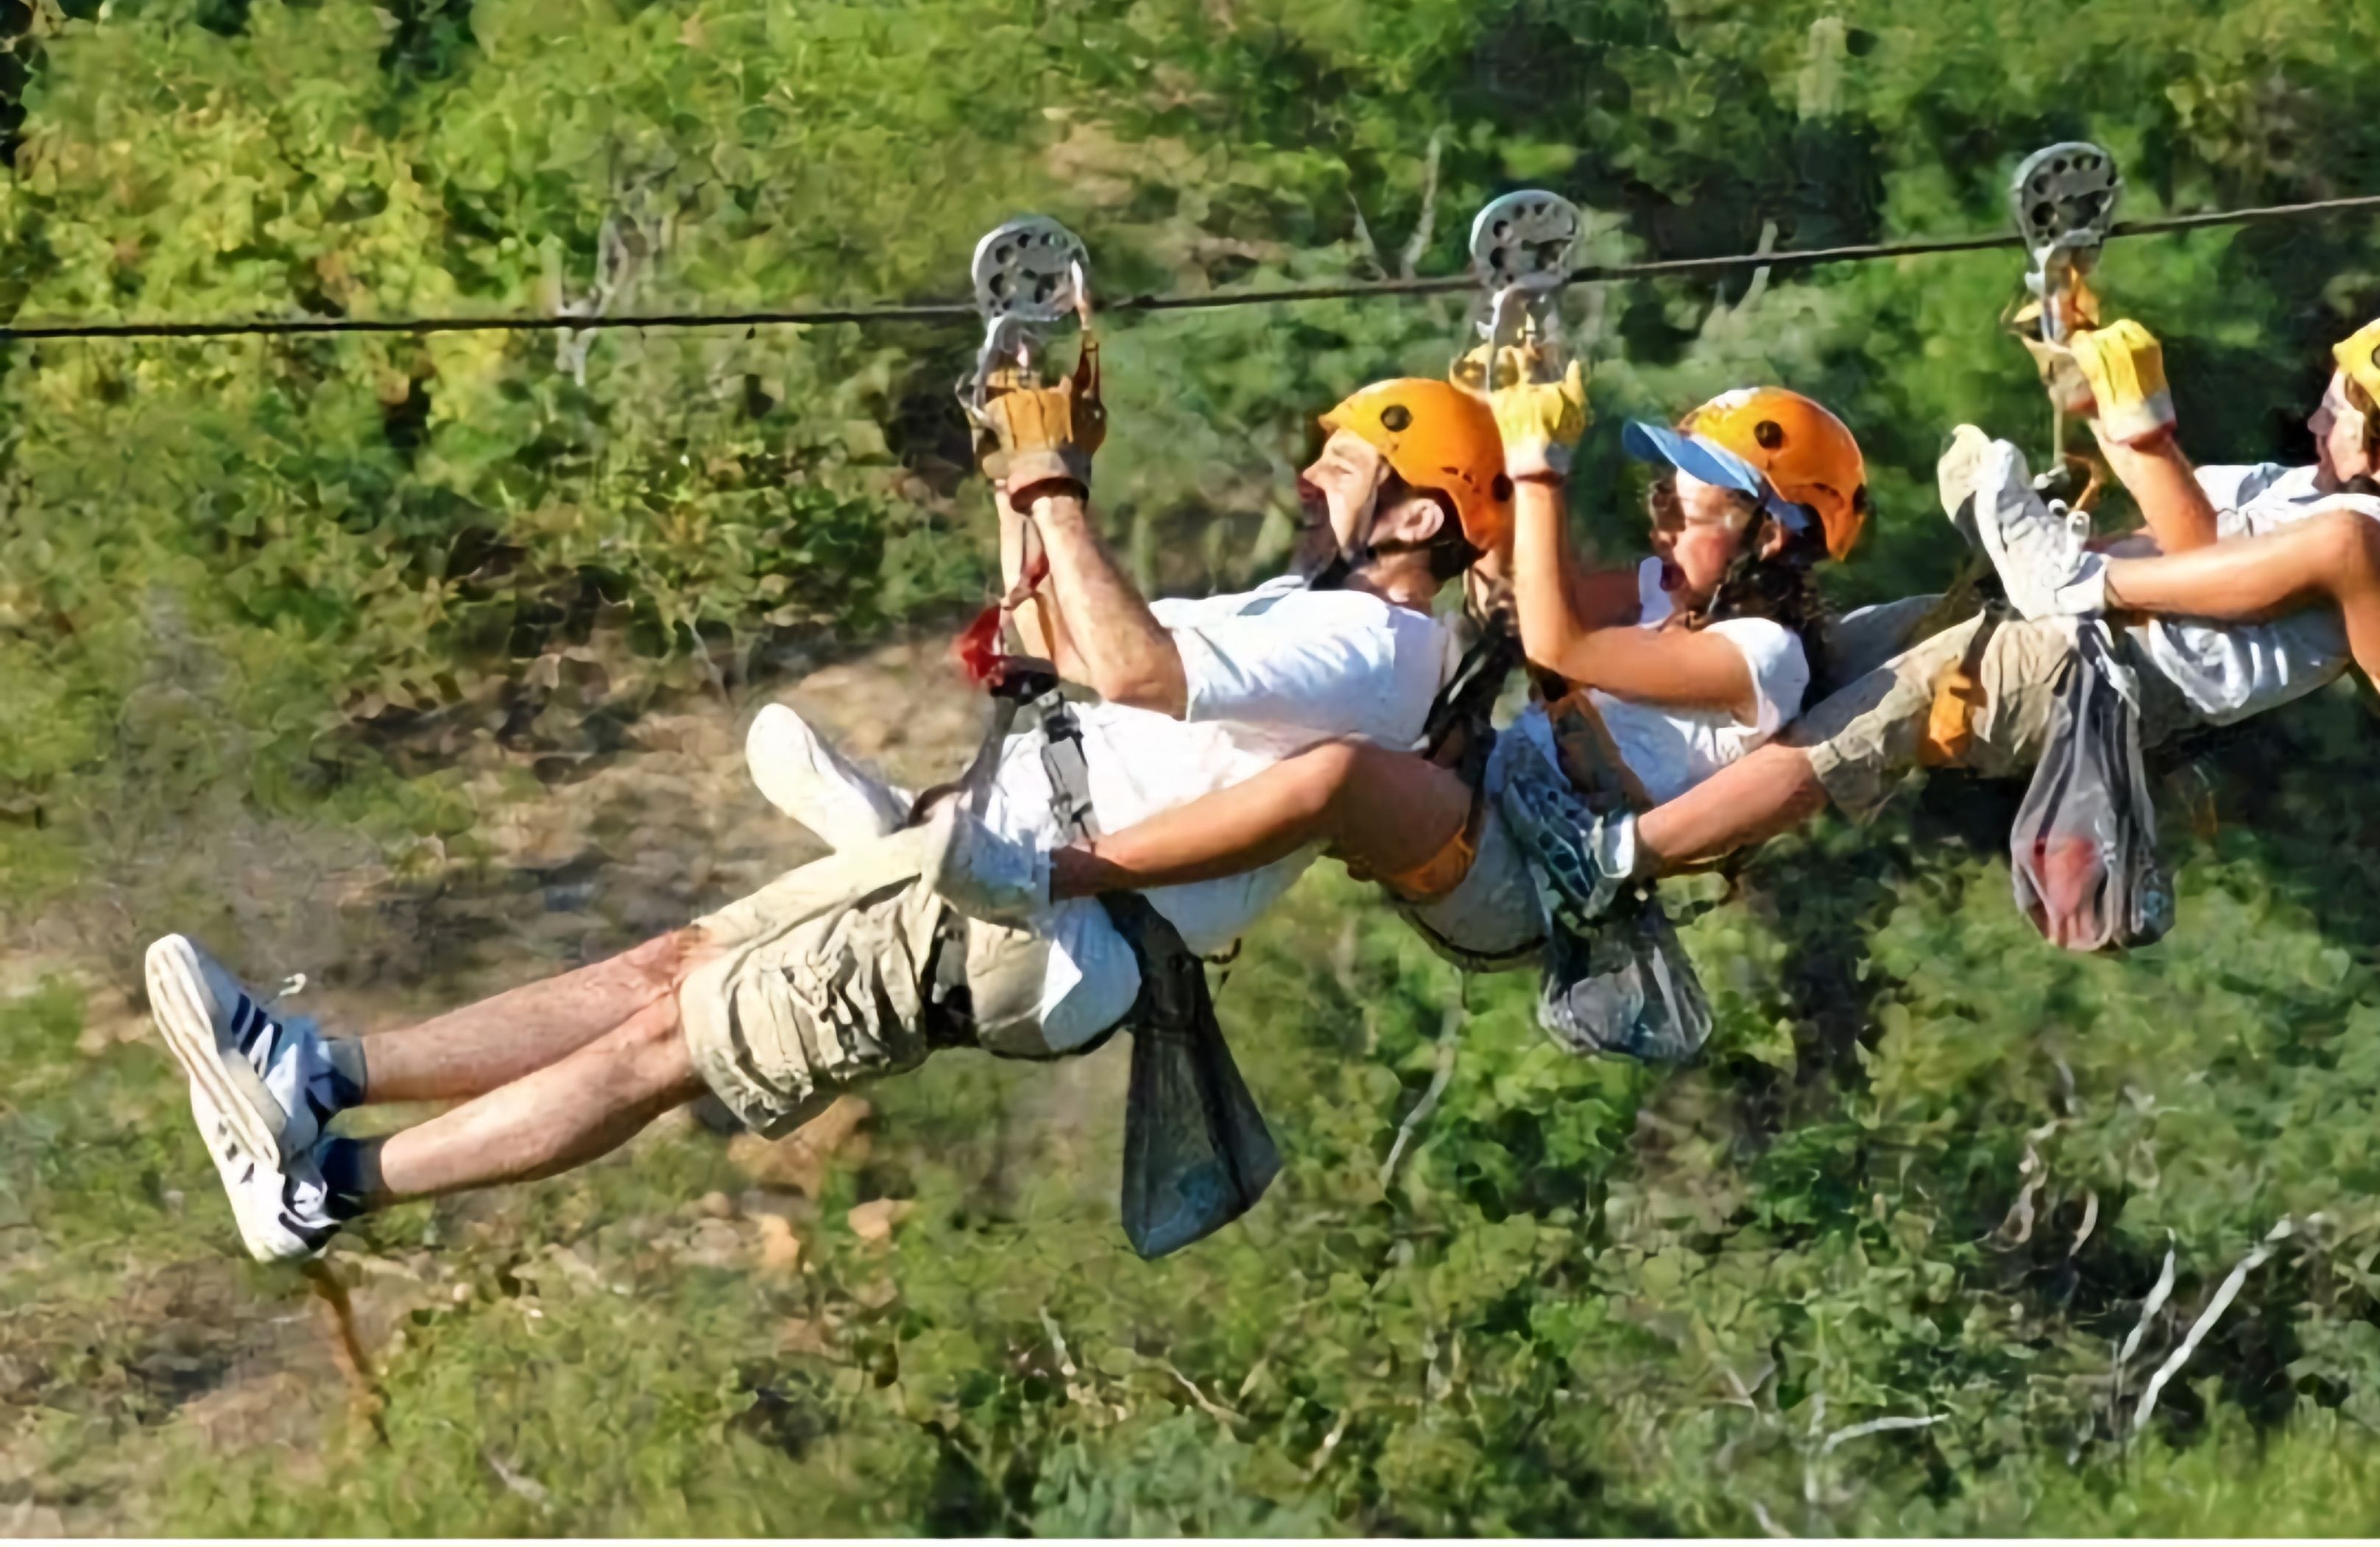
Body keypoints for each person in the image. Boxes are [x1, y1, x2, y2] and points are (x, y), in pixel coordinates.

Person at [143, 364, 1508, 1264]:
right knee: (664, 973)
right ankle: (318, 1072)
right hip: (985, 870)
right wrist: (1018, 486)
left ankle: (320, 1192)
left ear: (1422, 515)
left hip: (1026, 918)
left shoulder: (1377, 649)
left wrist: (1058, 486)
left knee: (665, 1047)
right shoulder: (1300, 615)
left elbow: (1139, 665)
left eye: (1342, 463)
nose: (1309, 478)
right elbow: (1058, 640)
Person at [913, 369, 1871, 1058]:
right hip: (1495, 797)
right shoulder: (1667, 591)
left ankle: (1052, 874)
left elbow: (1561, 643)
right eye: (1661, 493)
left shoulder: (1764, 656)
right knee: (1300, 728)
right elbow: (1522, 593)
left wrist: (1536, 471)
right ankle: (1011, 854)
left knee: (1340, 772)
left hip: (1521, 881)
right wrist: (1498, 428)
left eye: (1686, 502)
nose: (1661, 516)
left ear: (1773, 529)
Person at [1494, 303, 2380, 949]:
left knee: (1888, 704)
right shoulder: (2314, 493)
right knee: (1866, 642)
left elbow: (2204, 573)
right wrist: (2100, 382)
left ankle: (1626, 853)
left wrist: (2137, 444)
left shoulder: (2365, 538)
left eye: (2342, 406)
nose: (2319, 413)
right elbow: (2187, 538)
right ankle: (2045, 567)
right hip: (2097, 626)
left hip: (2107, 660)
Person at [1971, 307, 2380, 791]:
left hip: (2137, 676)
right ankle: (2060, 575)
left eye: (2332, 416)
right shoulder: (2303, 487)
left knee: (1902, 702)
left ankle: (2070, 578)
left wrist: (2142, 419)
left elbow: (2195, 551)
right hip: (2117, 643)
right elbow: (2178, 514)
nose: (2311, 423)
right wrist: (2092, 386)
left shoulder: (2379, 533)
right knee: (1894, 645)